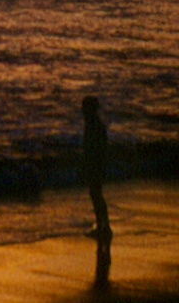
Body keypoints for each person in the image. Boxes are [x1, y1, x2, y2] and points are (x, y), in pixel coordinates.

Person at [82, 95, 112, 285]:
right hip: (97, 164)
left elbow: (93, 148)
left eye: (84, 108)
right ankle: (102, 225)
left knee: (96, 194)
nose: (82, 111)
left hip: (96, 164)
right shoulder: (96, 124)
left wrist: (88, 164)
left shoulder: (94, 125)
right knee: (96, 193)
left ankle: (104, 226)